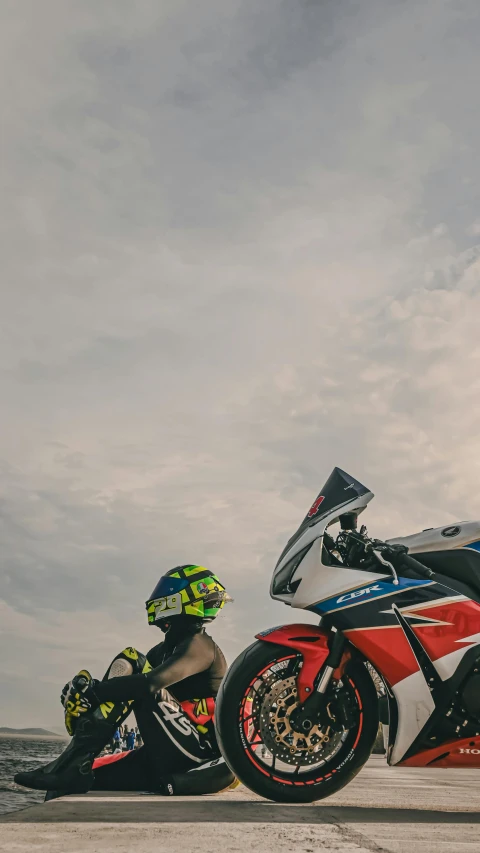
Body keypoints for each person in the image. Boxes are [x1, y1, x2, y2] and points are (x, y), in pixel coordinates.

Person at [15, 565, 236, 796]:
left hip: (198, 754)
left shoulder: (200, 645)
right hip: (163, 753)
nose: (158, 596)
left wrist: (94, 691)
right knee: (70, 786)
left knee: (132, 659)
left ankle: (73, 761)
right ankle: (73, 764)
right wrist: (80, 695)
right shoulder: (163, 651)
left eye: (168, 590)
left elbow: (150, 683)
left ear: (190, 598)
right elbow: (122, 690)